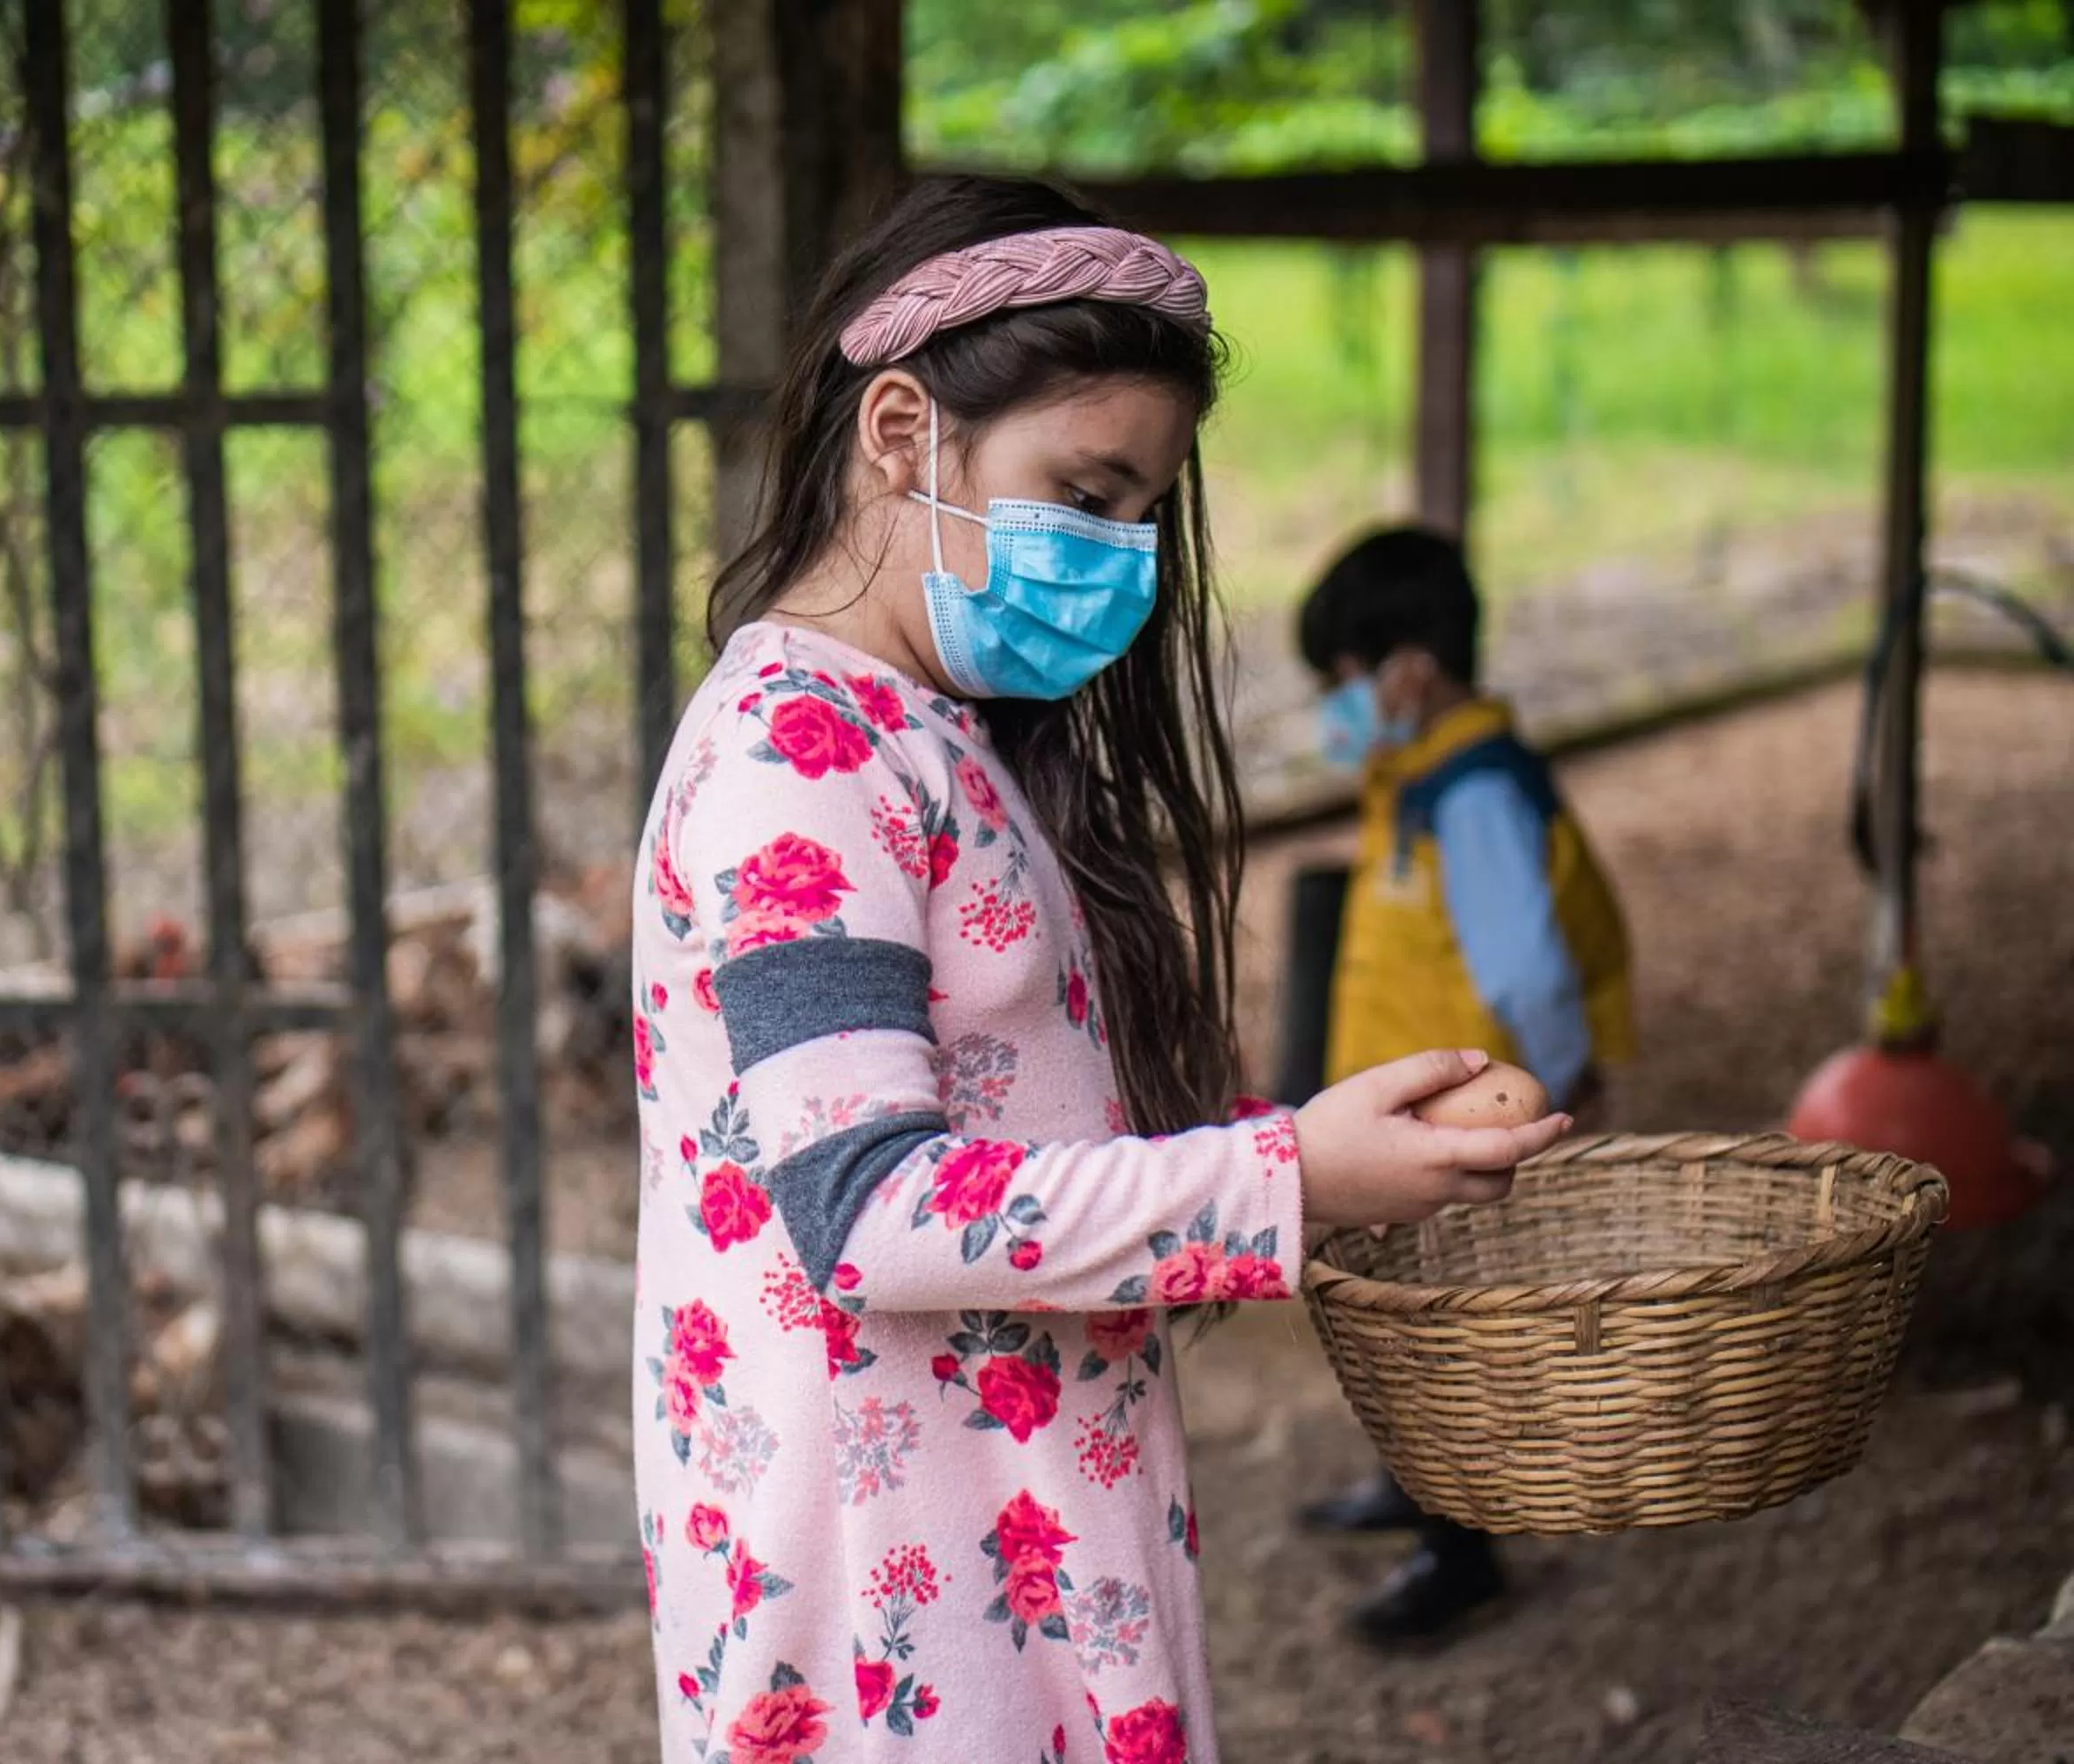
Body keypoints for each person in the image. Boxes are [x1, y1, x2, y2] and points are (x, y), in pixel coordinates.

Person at [632, 175, 1572, 1764]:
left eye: (1146, 512)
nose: (1124, 558)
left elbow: (1012, 1116)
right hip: (891, 1586)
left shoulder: (938, 731)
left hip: (1007, 1525)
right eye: (1089, 492)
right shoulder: (800, 753)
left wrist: (1330, 1141)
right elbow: (867, 1209)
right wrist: (1286, 1177)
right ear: (901, 433)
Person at [1292, 524, 1636, 1646]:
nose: (1337, 709)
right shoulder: (1424, 771)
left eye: (1343, 682)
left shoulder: (1476, 792)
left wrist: (1563, 1081)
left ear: (1411, 670)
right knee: (1406, 1325)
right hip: (1412, 1127)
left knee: (1454, 1337)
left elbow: (1530, 969)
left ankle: (1460, 1552)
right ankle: (1415, 1486)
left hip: (1462, 1132)